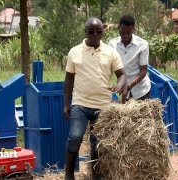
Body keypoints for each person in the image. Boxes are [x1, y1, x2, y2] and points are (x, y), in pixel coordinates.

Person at [63, 17, 127, 180]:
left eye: (99, 31)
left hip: (103, 106)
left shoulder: (110, 52)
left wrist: (120, 84)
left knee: (97, 144)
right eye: (91, 31)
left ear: (102, 32)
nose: (95, 34)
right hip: (80, 104)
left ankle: (96, 175)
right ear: (85, 32)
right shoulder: (74, 52)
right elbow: (69, 80)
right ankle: (69, 173)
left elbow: (122, 75)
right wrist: (66, 104)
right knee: (75, 137)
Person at [108, 15, 151, 101]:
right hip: (123, 90)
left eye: (128, 33)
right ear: (119, 27)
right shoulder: (112, 44)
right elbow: (109, 68)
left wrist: (128, 86)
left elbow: (143, 71)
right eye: (123, 32)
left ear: (133, 29)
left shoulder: (142, 44)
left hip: (141, 91)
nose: (125, 35)